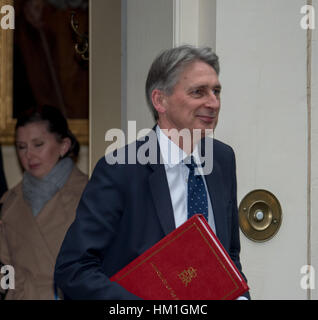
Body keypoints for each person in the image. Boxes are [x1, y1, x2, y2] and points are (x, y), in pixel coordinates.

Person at [54, 45, 250, 299]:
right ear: (160, 100)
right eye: (198, 92)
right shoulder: (120, 169)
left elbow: (228, 254)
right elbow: (74, 269)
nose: (213, 103)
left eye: (216, 91)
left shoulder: (222, 159)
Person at [0, 105, 88, 299]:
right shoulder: (10, 202)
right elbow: (6, 270)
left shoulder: (90, 197)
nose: (28, 155)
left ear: (64, 146)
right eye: (21, 147)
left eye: (38, 144)